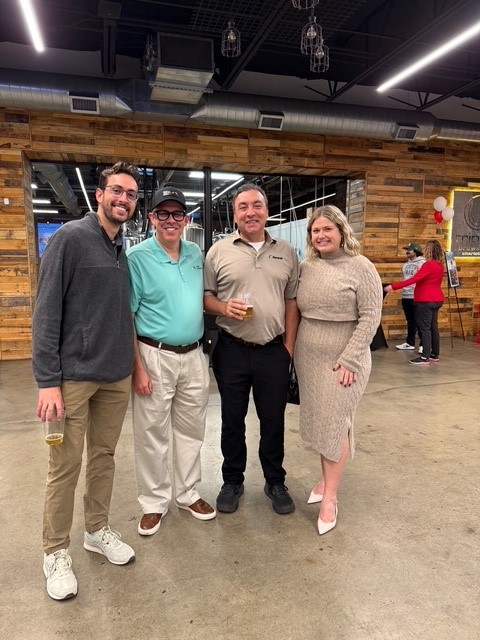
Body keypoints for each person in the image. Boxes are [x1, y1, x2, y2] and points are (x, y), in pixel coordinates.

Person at [32, 162, 139, 601]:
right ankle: (55, 551)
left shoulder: (121, 248)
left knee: (104, 457)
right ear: (100, 194)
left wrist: (131, 365)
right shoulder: (70, 238)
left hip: (114, 376)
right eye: (117, 191)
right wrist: (47, 380)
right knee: (65, 466)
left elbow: (122, 312)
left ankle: (96, 529)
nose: (123, 199)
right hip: (73, 377)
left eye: (131, 194)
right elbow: (46, 310)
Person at [203, 183, 299, 515]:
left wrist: (288, 347)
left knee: (273, 420)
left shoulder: (286, 251)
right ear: (235, 215)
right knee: (232, 420)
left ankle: (275, 481)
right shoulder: (218, 251)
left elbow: (291, 301)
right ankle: (232, 481)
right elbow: (206, 297)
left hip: (273, 351)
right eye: (242, 207)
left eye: (256, 205)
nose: (250, 212)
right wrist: (222, 307)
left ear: (267, 211)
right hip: (231, 348)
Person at [126, 187, 215, 536]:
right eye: (162, 213)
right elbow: (128, 317)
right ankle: (153, 502)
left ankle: (188, 493)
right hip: (154, 354)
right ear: (151, 218)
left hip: (193, 355)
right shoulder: (137, 259)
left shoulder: (195, 254)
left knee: (192, 430)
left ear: (186, 219)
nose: (170, 220)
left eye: (177, 214)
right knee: (152, 432)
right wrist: (138, 368)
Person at [294, 205, 383, 535]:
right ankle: (324, 480)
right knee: (322, 422)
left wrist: (350, 359)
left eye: (327, 229)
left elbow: (371, 317)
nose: (321, 235)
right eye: (315, 230)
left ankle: (330, 497)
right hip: (309, 357)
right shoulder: (307, 267)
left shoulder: (361, 267)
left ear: (342, 231)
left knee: (334, 421)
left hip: (345, 359)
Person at [384, 239, 444, 365]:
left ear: (429, 250)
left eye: (426, 248)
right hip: (437, 299)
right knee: (433, 327)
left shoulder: (428, 265)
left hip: (426, 300)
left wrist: (393, 286)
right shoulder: (440, 265)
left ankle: (425, 357)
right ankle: (434, 354)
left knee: (425, 329)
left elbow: (413, 280)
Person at [395, 242, 426, 352]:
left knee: (420, 321)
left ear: (416, 251)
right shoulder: (405, 265)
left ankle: (423, 345)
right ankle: (410, 343)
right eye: (407, 250)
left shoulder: (423, 263)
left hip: (416, 296)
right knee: (410, 321)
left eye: (409, 250)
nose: (407, 252)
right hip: (406, 295)